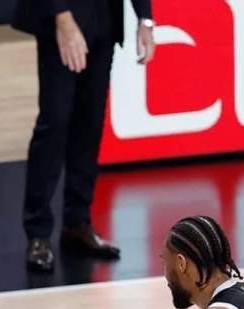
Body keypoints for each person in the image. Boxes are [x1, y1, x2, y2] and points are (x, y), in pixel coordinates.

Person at [14, 0, 155, 272]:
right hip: (61, 20)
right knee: (54, 125)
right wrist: (63, 19)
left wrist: (145, 19)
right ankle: (38, 233)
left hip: (103, 18)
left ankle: (77, 222)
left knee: (89, 125)